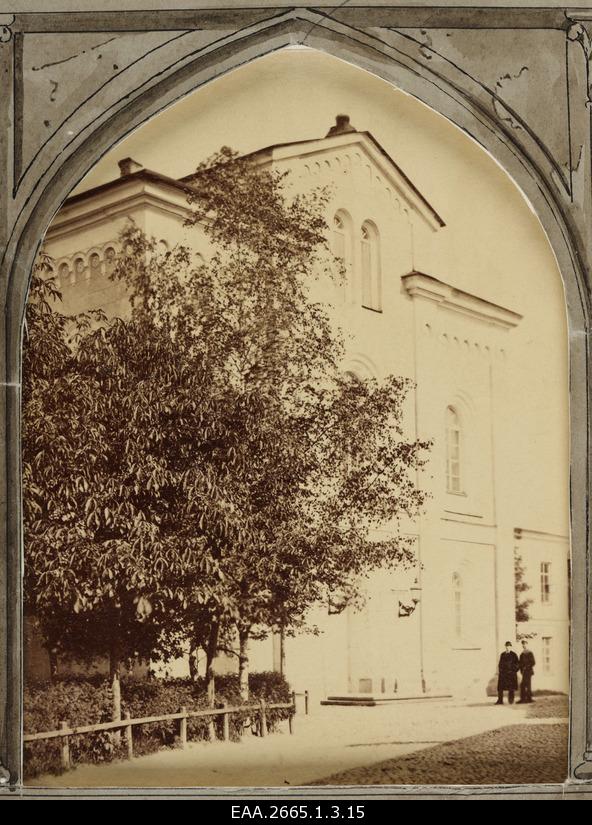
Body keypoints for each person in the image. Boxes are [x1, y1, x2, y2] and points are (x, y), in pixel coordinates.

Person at [518, 639, 536, 703]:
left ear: (527, 644)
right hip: (524, 672)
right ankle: (523, 698)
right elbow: (520, 663)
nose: (524, 645)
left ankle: (529, 699)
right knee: (523, 685)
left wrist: (527, 667)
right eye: (523, 644)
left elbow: (533, 662)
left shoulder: (530, 653)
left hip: (528, 671)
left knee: (528, 685)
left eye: (525, 644)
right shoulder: (521, 654)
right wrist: (521, 669)